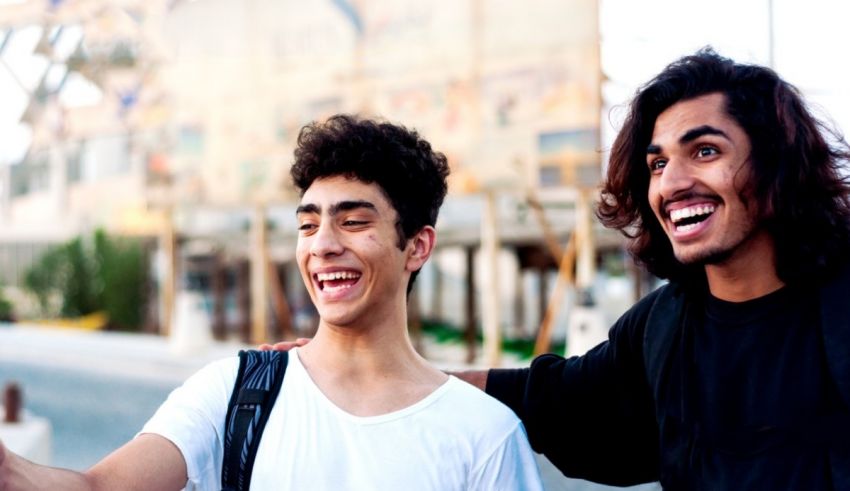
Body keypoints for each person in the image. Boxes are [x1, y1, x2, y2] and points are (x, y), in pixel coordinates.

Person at [268, 49, 850, 489]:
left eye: (704, 151)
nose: (672, 183)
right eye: (656, 163)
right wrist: (371, 376)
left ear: (778, 166)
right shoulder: (663, 328)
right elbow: (557, 397)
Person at [0, 115, 543, 490]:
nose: (323, 244)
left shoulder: (485, 434)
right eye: (308, 224)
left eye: (353, 221)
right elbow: (100, 487)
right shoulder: (236, 391)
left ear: (417, 246)